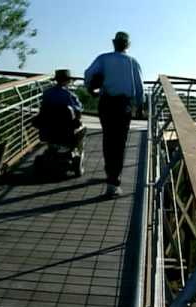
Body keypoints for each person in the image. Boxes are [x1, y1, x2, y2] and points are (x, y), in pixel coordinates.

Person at [84, 31, 144, 197]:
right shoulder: (133, 62)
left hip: (106, 103)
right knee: (120, 143)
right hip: (123, 106)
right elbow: (139, 87)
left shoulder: (103, 58)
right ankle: (113, 181)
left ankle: (110, 173)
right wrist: (139, 106)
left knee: (108, 139)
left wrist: (90, 89)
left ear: (113, 43)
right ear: (128, 45)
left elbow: (88, 74)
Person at [34, 69, 86, 175]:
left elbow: (42, 109)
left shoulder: (47, 93)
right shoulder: (69, 95)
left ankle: (52, 150)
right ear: (68, 81)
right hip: (66, 131)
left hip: (49, 130)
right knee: (82, 129)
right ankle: (79, 152)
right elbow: (79, 109)